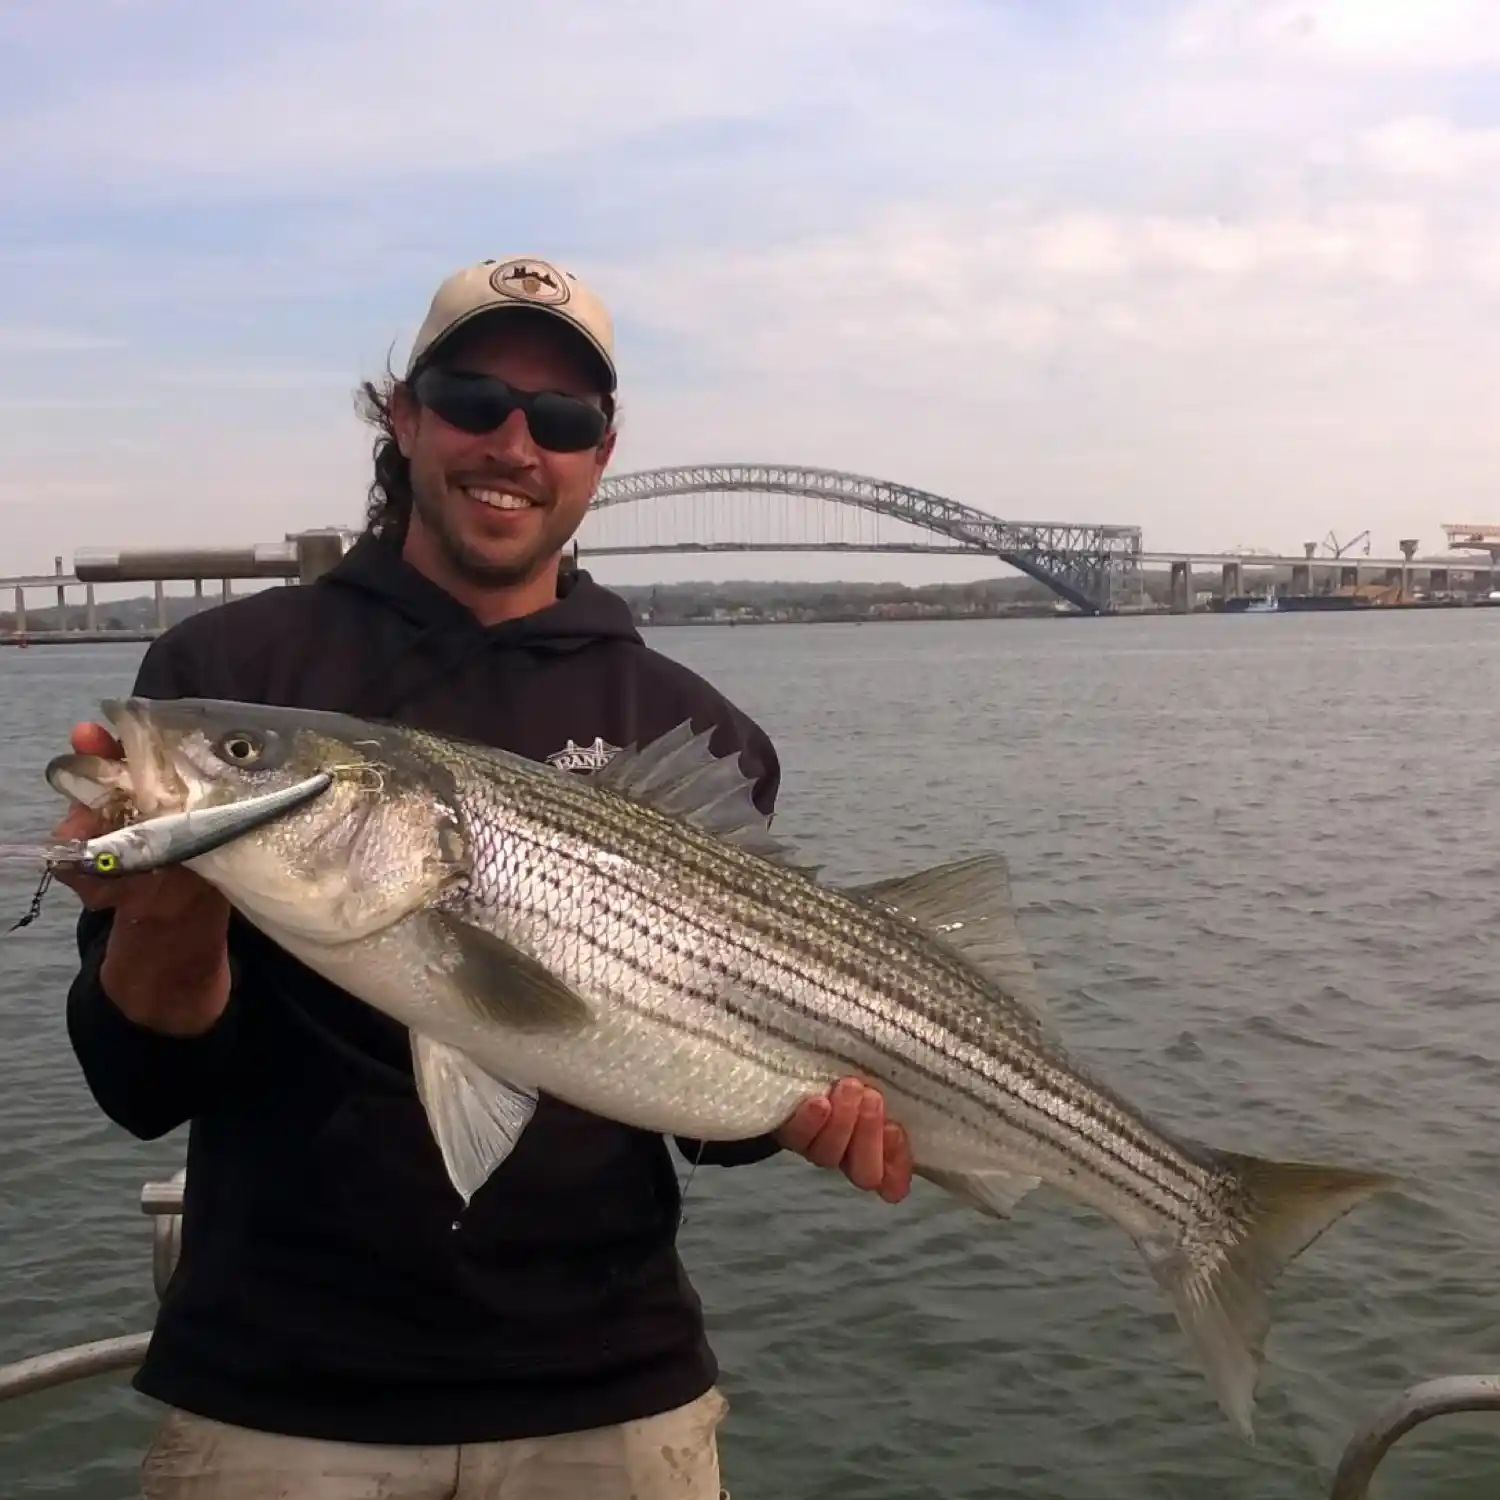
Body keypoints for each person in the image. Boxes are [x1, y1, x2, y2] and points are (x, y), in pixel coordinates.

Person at [56, 255, 914, 1500]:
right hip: (283, 1392)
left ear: (600, 452)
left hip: (613, 1397)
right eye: (473, 400)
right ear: (403, 416)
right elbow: (137, 1083)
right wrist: (166, 910)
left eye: (559, 419)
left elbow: (699, 1112)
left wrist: (802, 1107)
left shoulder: (693, 731)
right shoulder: (225, 670)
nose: (514, 442)